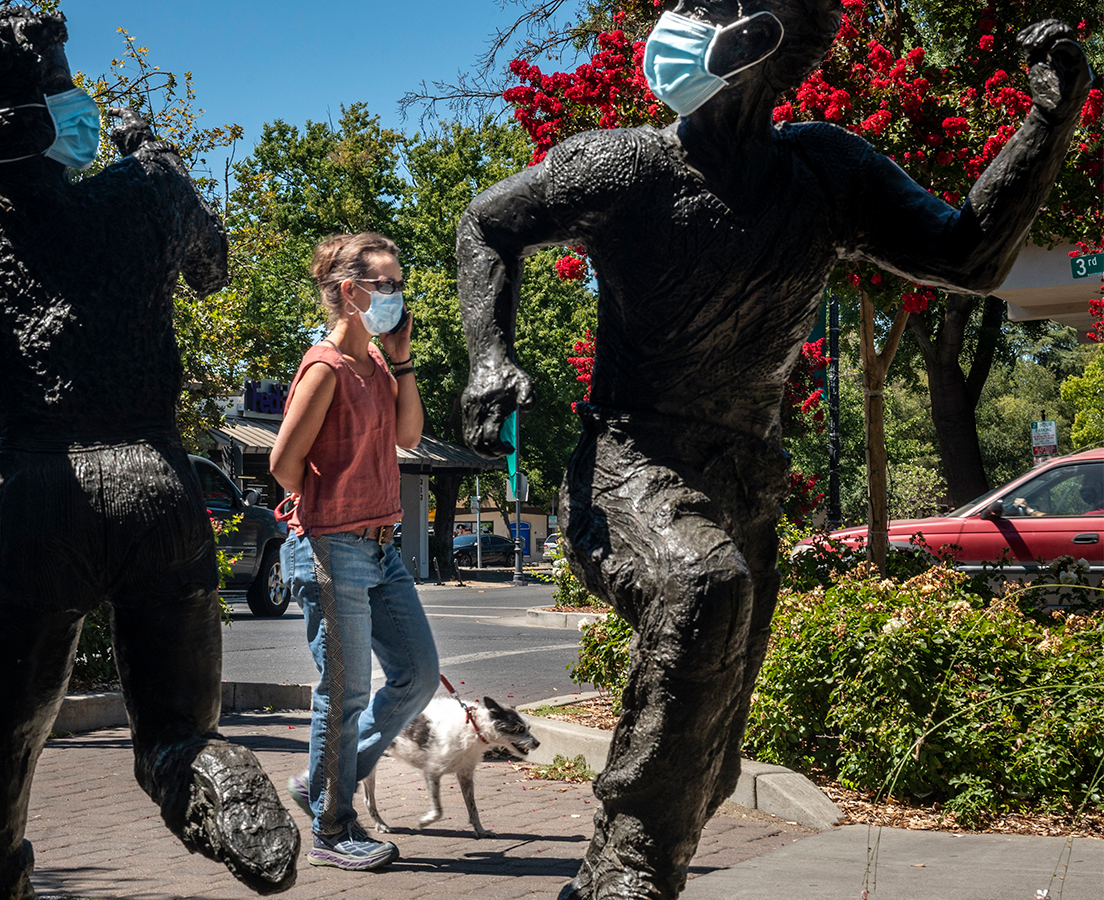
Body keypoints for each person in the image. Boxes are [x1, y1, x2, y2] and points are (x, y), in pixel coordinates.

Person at [454, 2, 1092, 898]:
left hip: (748, 475)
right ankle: (629, 863)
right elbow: (488, 224)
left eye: (702, 5)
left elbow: (970, 258)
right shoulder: (622, 163)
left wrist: (1046, 120)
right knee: (700, 589)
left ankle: (617, 875)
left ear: (759, 40)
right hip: (630, 463)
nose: (672, 22)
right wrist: (490, 358)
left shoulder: (824, 171)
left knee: (711, 753)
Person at [0, 8, 300, 898]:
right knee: (178, 735)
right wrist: (168, 175)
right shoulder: (144, 190)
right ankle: (219, 787)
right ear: (55, 106)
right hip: (161, 487)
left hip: (43, 497)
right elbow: (214, 269)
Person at [270, 232, 440, 871]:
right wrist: (327, 494)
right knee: (340, 695)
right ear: (351, 291)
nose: (398, 295)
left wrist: (401, 360)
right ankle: (334, 830)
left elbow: (409, 435)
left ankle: (323, 783)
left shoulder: (375, 367)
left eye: (399, 284)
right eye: (388, 285)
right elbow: (283, 465)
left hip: (383, 545)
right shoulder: (325, 369)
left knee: (417, 674)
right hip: (333, 547)